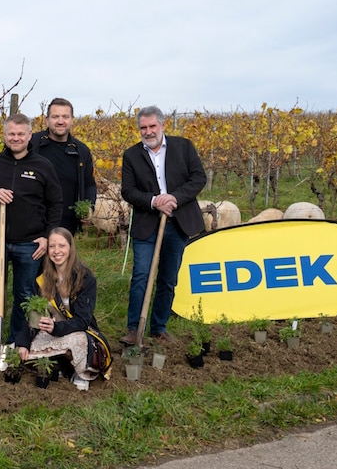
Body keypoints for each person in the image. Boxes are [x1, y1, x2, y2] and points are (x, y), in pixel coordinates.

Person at [0, 112, 63, 344]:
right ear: (4, 135)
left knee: (24, 292)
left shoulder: (43, 166)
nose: (16, 138)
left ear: (29, 135)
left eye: (20, 134)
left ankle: (15, 339)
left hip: (30, 241)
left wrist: (47, 237)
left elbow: (56, 203)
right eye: (11, 133)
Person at [120, 106, 206, 345]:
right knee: (141, 276)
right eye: (143, 128)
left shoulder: (183, 147)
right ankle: (134, 329)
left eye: (152, 126)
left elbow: (198, 178)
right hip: (147, 224)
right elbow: (128, 191)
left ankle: (158, 327)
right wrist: (154, 201)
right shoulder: (131, 155)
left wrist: (174, 198)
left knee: (168, 279)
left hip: (178, 223)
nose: (148, 132)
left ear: (162, 125)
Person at [14, 228, 110, 391]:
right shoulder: (44, 279)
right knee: (20, 349)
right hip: (54, 331)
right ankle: (60, 367)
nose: (56, 251)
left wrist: (56, 327)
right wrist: (23, 342)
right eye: (52, 246)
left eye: (62, 246)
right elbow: (33, 314)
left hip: (79, 331)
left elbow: (82, 320)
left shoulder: (85, 278)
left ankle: (81, 374)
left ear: (71, 248)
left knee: (77, 341)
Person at [30, 97, 97, 234]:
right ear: (47, 119)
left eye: (65, 117)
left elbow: (89, 184)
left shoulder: (81, 151)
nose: (60, 121)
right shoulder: (32, 144)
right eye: (55, 117)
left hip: (65, 226)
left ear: (72, 119)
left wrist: (89, 206)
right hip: (32, 223)